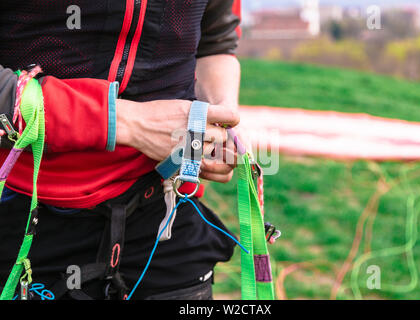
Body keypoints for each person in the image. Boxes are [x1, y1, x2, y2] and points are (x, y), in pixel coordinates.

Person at [0, 0, 242, 300]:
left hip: (164, 214)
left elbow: (215, 41)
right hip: (20, 206)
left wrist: (222, 116)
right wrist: (125, 122)